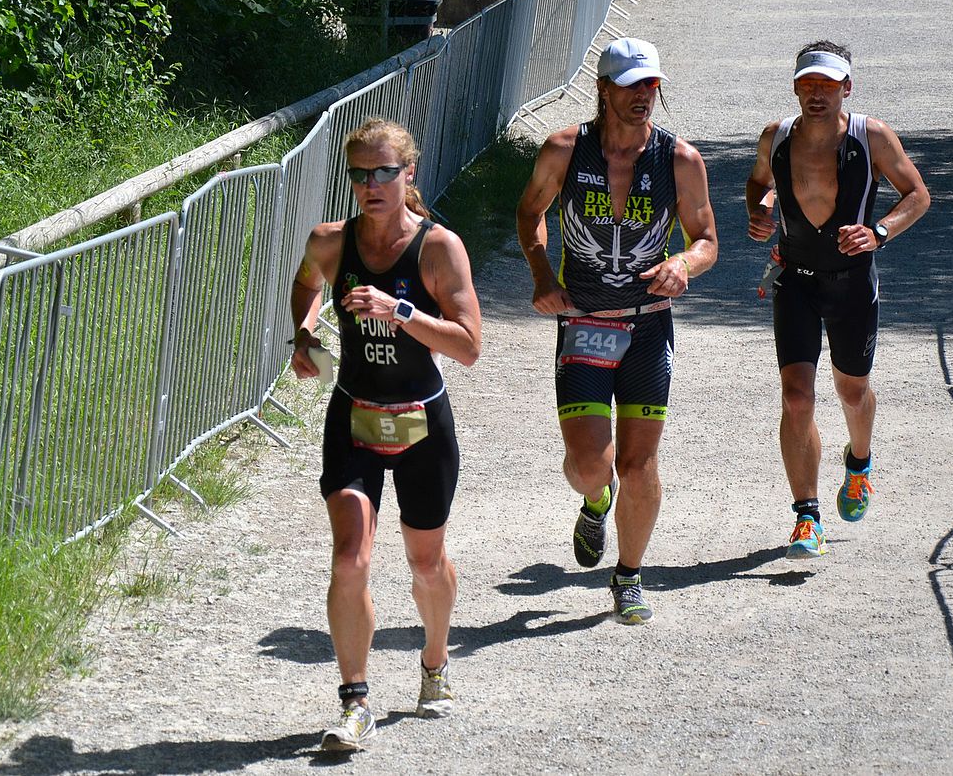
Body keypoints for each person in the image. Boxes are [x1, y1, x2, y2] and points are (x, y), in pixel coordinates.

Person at [290, 118, 482, 750]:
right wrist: (304, 332)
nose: (370, 186)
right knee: (351, 559)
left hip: (424, 422)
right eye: (358, 175)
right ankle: (355, 700)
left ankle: (434, 663)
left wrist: (400, 311)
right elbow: (305, 283)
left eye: (383, 173)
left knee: (426, 563)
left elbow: (470, 346)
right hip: (353, 418)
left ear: (409, 175)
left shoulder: (437, 248)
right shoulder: (330, 241)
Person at [515, 38, 717, 624]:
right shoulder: (564, 150)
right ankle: (594, 501)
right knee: (592, 466)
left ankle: (628, 575)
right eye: (629, 85)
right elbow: (531, 212)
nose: (642, 97)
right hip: (584, 322)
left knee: (639, 464)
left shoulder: (680, 160)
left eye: (650, 86)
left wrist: (684, 264)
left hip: (648, 327)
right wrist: (540, 273)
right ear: (603, 89)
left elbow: (706, 239)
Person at [745, 41, 930, 559]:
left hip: (852, 282)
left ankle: (859, 464)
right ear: (796, 86)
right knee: (797, 396)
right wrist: (760, 214)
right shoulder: (776, 136)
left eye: (828, 85)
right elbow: (759, 185)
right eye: (809, 84)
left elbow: (917, 194)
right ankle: (807, 517)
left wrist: (880, 232)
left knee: (852, 392)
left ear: (847, 86)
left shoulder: (871, 136)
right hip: (796, 280)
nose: (817, 94)